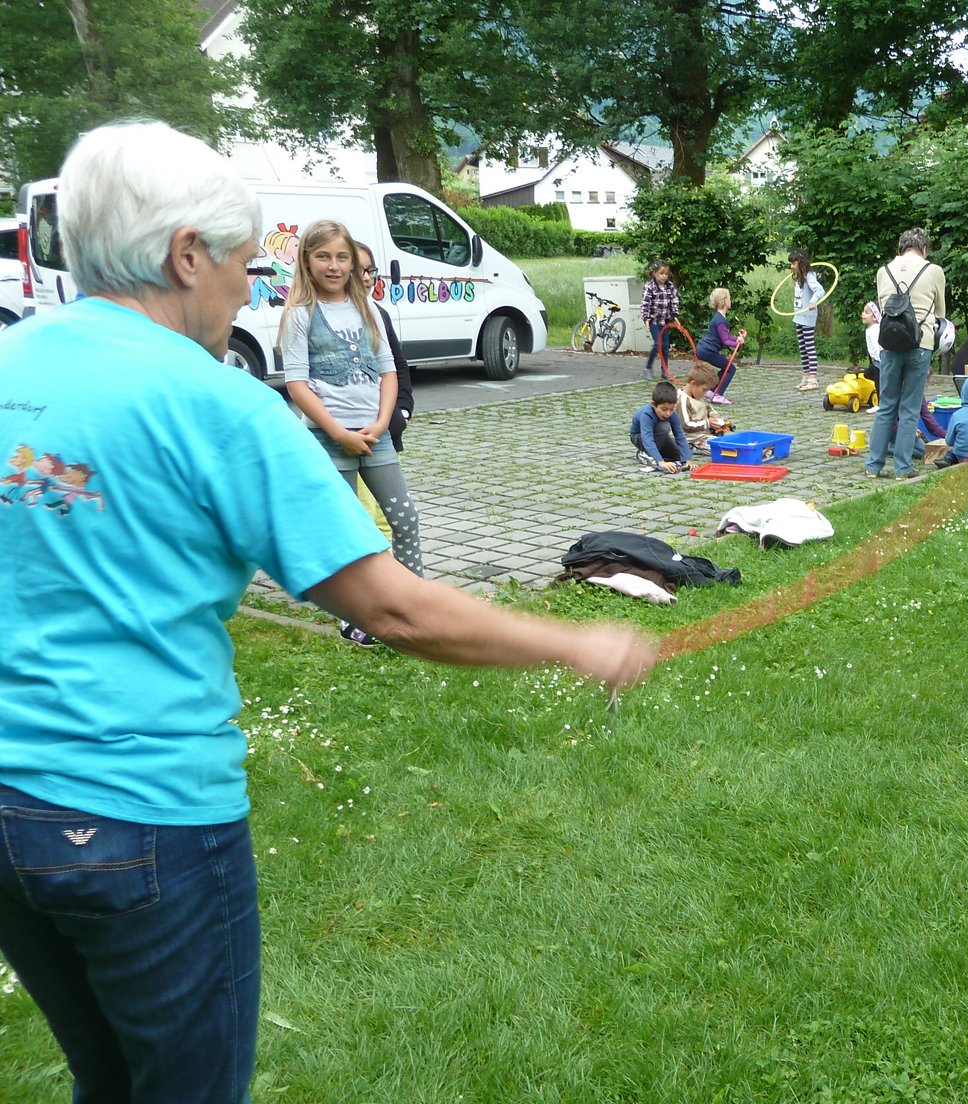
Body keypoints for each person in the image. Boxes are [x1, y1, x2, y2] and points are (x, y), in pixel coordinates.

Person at [0, 120, 657, 1104]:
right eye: (241, 264)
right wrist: (575, 640)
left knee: (108, 1080)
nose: (247, 290)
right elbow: (394, 610)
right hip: (140, 820)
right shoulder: (219, 405)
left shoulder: (11, 361)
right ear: (186, 255)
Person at [278, 220, 423, 647]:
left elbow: (389, 371)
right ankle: (354, 617)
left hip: (376, 436)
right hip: (330, 439)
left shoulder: (369, 310)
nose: (334, 265)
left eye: (342, 257)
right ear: (307, 261)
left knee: (405, 520)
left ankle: (415, 608)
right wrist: (339, 432)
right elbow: (297, 385)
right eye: (323, 256)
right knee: (349, 532)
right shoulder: (299, 315)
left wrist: (382, 422)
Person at [867, 228, 949, 479]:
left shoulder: (883, 271)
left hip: (889, 344)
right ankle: (903, 468)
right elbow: (940, 312)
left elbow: (885, 307)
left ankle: (873, 466)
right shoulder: (933, 270)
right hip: (919, 343)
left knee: (886, 406)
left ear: (900, 248)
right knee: (910, 408)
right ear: (924, 249)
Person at [353, 243, 415, 541]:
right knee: (366, 518)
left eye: (371, 270)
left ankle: (392, 570)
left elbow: (398, 366)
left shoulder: (378, 314)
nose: (367, 278)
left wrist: (402, 410)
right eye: (359, 271)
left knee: (390, 518)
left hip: (384, 431)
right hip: (350, 433)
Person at [694, 288, 743, 404]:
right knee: (731, 368)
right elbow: (725, 341)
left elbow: (726, 336)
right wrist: (737, 343)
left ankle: (711, 391)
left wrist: (738, 339)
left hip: (704, 349)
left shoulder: (719, 317)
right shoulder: (721, 320)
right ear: (725, 300)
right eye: (729, 298)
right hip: (708, 350)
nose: (730, 300)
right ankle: (718, 395)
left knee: (726, 368)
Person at [631, 380, 692, 471]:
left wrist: (688, 460)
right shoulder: (646, 414)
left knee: (681, 455)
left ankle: (656, 453)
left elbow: (680, 436)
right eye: (664, 409)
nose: (668, 413)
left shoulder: (673, 414)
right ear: (653, 404)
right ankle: (645, 453)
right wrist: (660, 462)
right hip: (641, 438)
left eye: (671, 409)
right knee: (664, 427)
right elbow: (647, 438)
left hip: (661, 437)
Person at [788, 249, 827, 391]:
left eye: (793, 263)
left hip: (808, 317)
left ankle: (813, 380)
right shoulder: (800, 277)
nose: (792, 266)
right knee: (802, 348)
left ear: (801, 262)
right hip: (799, 316)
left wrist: (813, 301)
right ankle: (806, 377)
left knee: (809, 347)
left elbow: (820, 291)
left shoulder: (809, 276)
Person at [640, 259, 679, 381]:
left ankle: (665, 370)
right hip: (654, 322)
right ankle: (648, 368)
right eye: (661, 273)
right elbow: (645, 304)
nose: (664, 276)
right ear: (655, 273)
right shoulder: (650, 287)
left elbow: (674, 301)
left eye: (666, 274)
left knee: (665, 346)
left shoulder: (670, 286)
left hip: (665, 321)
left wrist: (675, 316)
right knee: (658, 344)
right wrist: (646, 319)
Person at [676, 362, 726, 452]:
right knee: (721, 449)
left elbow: (707, 407)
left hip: (705, 434)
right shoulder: (683, 400)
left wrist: (713, 414)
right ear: (693, 383)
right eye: (704, 389)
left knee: (726, 442)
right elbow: (686, 425)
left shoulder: (697, 395)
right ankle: (692, 448)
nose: (705, 393)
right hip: (693, 438)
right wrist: (708, 423)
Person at [861, 301, 883, 410]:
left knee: (879, 383)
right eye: (863, 312)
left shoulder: (874, 330)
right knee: (868, 374)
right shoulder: (871, 329)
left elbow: (877, 345)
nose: (863, 314)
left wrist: (881, 359)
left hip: (880, 361)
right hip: (876, 361)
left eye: (867, 312)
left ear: (874, 317)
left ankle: (881, 405)